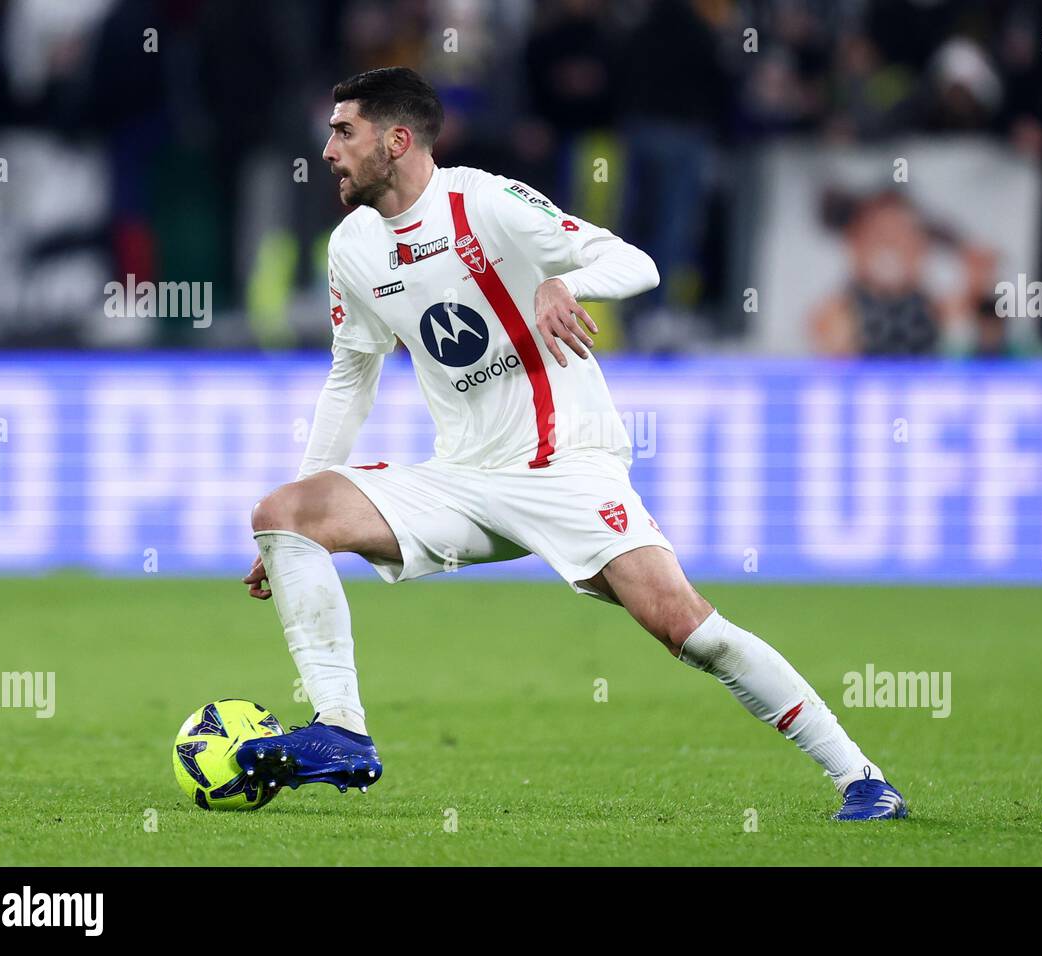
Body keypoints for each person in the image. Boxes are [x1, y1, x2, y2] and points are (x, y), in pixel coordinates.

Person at [240, 67, 907, 820]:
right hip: (462, 477)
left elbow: (637, 262)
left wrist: (568, 284)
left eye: (343, 131)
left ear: (396, 141)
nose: (327, 150)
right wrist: (292, 522)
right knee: (285, 513)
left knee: (687, 629)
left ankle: (862, 777)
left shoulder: (487, 202)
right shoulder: (354, 247)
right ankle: (342, 733)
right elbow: (350, 380)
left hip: (564, 464)